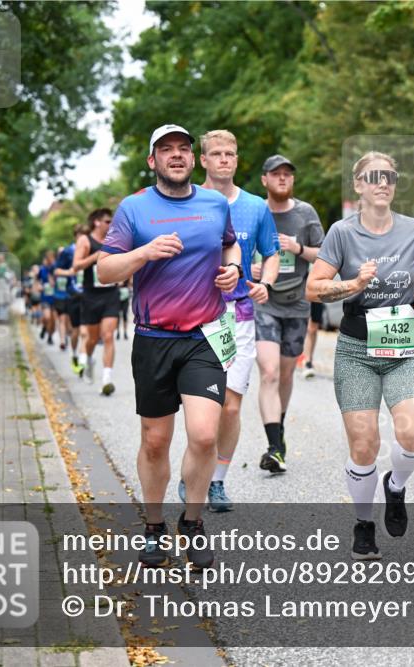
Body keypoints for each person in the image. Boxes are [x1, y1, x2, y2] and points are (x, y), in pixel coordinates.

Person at [97, 123, 241, 569]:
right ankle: (155, 527)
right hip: (154, 338)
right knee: (156, 441)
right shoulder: (134, 208)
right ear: (152, 160)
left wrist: (234, 271)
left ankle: (192, 523)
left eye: (183, 148)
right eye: (165, 149)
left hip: (204, 337)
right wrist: (144, 253)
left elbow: (231, 248)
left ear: (194, 159)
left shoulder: (214, 204)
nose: (176, 155)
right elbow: (105, 270)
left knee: (204, 434)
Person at [307, 151, 414, 560]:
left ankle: (395, 487)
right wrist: (354, 283)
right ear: (359, 185)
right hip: (356, 349)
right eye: (374, 176)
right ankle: (364, 523)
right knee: (364, 445)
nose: (383, 183)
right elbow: (314, 288)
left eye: (390, 176)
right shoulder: (342, 233)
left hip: (402, 347)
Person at [176, 130, 280, 511]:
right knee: (205, 405)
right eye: (216, 153)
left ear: (237, 160)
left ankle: (216, 480)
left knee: (231, 406)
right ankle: (194, 470)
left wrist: (266, 283)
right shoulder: (187, 201)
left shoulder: (255, 207)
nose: (224, 159)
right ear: (202, 160)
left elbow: (272, 253)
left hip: (238, 316)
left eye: (230, 154)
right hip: (194, 315)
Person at [255, 154, 324, 473]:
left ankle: (278, 430)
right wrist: (249, 267)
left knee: (285, 373)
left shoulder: (305, 213)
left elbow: (324, 254)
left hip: (296, 304)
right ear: (264, 180)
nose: (282, 178)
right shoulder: (255, 211)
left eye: (287, 174)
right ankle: (274, 446)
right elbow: (233, 248)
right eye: (276, 173)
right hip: (264, 302)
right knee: (268, 372)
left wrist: (298, 249)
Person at [74, 208, 121, 395]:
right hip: (91, 296)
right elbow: (76, 265)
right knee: (92, 339)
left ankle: (106, 380)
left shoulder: (115, 239)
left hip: (110, 294)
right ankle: (88, 358)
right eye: (108, 221)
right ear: (97, 222)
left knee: (108, 335)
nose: (111, 224)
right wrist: (97, 256)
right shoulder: (85, 240)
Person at [55, 224, 87, 373]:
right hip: (73, 295)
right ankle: (74, 354)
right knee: (76, 331)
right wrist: (70, 272)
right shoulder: (68, 252)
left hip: (89, 295)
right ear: (76, 236)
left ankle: (83, 361)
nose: (84, 239)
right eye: (81, 236)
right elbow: (57, 271)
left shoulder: (93, 249)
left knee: (85, 332)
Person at [38, 250, 57, 344]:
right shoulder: (42, 269)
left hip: (55, 297)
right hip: (45, 297)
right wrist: (38, 286)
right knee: (47, 317)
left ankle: (50, 336)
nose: (50, 260)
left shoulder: (56, 268)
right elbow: (37, 280)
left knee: (53, 320)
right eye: (48, 258)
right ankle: (44, 328)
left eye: (51, 258)